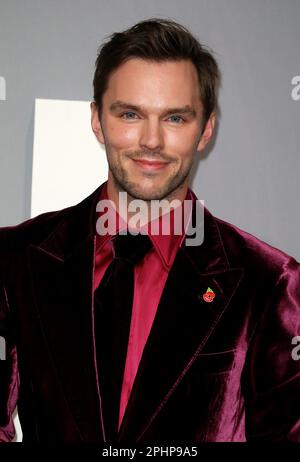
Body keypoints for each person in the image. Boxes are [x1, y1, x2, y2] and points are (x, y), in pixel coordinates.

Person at [0, 17, 299, 443]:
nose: (152, 140)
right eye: (130, 114)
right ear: (98, 121)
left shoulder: (270, 283)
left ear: (206, 129)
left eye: (175, 118)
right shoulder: (14, 260)